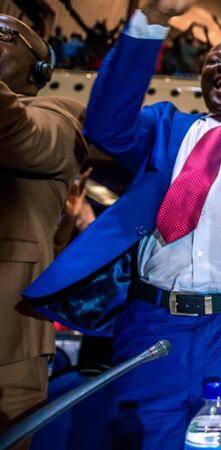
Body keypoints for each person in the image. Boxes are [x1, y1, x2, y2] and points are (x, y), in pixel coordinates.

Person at [23, 0, 221, 448]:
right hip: (153, 322)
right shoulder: (164, 127)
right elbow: (107, 127)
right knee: (145, 440)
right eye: (214, 61)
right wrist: (151, 20)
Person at [0, 15, 87, 449]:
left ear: (39, 70)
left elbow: (14, 132)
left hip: (6, 352)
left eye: (1, 36)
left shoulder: (59, 116)